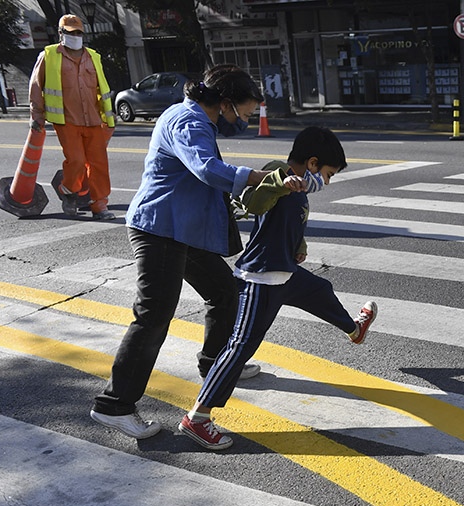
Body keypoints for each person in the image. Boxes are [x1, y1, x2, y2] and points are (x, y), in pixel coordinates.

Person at [89, 64, 308, 439]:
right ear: (225, 104)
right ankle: (114, 404)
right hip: (158, 229)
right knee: (153, 315)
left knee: (225, 293)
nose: (246, 120)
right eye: (245, 113)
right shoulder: (188, 121)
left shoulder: (198, 119)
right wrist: (262, 178)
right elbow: (206, 169)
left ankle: (215, 365)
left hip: (181, 230)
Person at [179, 126, 378, 450]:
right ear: (312, 163)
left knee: (321, 291)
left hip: (285, 272)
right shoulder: (275, 172)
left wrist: (299, 243)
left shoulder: (302, 189)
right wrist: (280, 184)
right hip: (262, 278)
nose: (326, 182)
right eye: (327, 174)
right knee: (240, 347)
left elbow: (294, 219)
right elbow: (254, 204)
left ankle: (354, 330)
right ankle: (198, 418)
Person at [28, 14, 116, 220]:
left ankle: (100, 206)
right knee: (76, 161)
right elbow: (35, 86)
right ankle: (68, 191)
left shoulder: (93, 56)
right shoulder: (48, 56)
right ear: (61, 34)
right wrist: (37, 116)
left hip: (94, 120)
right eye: (70, 32)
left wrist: (108, 118)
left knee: (99, 164)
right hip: (67, 120)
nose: (75, 36)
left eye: (78, 33)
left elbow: (101, 88)